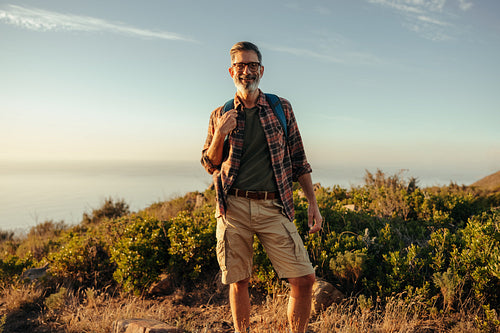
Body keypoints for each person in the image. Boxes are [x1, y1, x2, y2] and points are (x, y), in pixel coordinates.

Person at [201, 41, 322, 333]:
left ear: (262, 70)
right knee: (239, 280)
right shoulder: (221, 113)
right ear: (231, 71)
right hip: (234, 207)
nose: (246, 71)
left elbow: (298, 159)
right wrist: (220, 134)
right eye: (241, 65)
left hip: (274, 206)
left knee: (304, 279)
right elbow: (210, 163)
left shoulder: (281, 109)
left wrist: (313, 203)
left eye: (252, 65)